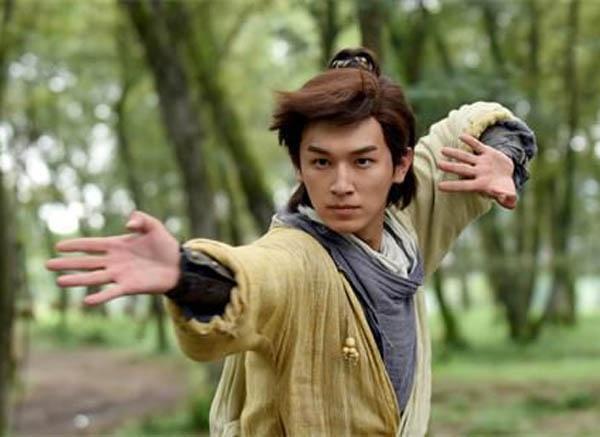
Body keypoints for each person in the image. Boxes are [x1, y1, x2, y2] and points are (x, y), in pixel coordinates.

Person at [46, 48, 535, 436]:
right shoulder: (297, 257)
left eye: (363, 161)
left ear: (401, 164)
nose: (341, 184)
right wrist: (186, 274)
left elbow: (481, 119)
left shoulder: (412, 218)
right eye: (321, 162)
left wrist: (504, 158)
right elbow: (256, 278)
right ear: (299, 166)